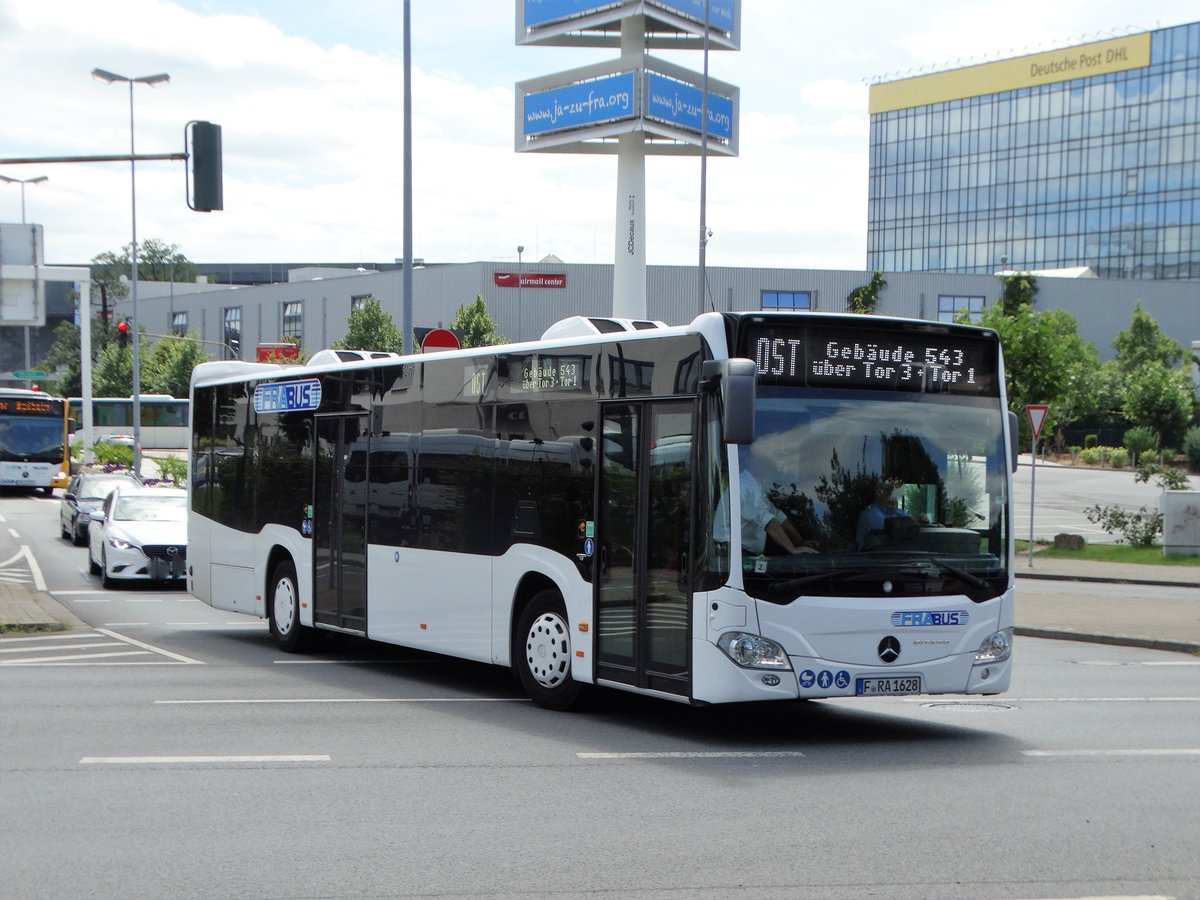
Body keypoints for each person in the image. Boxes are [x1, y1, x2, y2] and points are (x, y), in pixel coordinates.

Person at [714, 453, 818, 556]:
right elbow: (768, 521)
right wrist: (793, 549)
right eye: (771, 467)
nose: (776, 472)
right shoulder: (745, 486)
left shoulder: (757, 488)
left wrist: (800, 542)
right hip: (729, 553)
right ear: (759, 467)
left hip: (743, 551)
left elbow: (778, 516)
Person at [856, 480, 910, 549]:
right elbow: (898, 534)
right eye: (892, 491)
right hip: (875, 558)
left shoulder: (900, 512)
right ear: (879, 492)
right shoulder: (870, 515)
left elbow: (912, 530)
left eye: (898, 491)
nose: (896, 495)